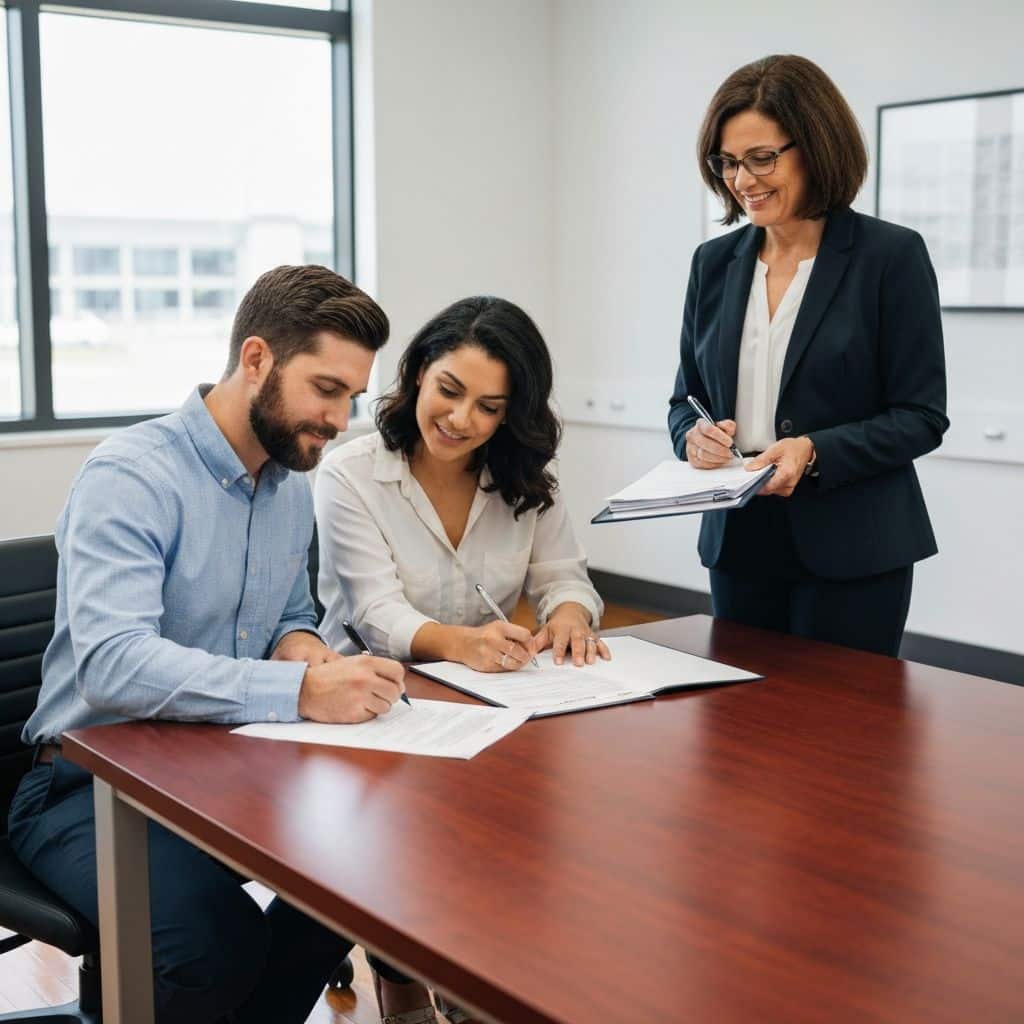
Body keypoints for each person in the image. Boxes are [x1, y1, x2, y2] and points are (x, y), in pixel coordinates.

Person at [9, 264, 406, 1024]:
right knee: (212, 946)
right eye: (326, 389)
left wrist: (303, 648)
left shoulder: (289, 489)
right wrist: (299, 691)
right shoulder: (132, 476)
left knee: (360, 881)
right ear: (256, 359)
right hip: (87, 791)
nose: (339, 419)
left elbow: (292, 614)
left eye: (351, 398)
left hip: (220, 772)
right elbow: (112, 664)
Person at [314, 295, 608, 1023]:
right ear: (418, 372)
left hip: (488, 702)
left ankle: (477, 967)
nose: (461, 419)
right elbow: (375, 613)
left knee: (518, 840)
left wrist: (568, 615)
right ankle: (399, 972)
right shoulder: (351, 473)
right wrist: (462, 643)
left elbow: (564, 576)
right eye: (449, 390)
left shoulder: (524, 477)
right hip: (373, 703)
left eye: (489, 407)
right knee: (409, 836)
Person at [668, 54, 948, 657]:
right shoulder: (712, 264)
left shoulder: (889, 258)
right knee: (740, 710)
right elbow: (684, 400)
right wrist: (693, 436)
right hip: (739, 542)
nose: (743, 180)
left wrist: (813, 450)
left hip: (855, 546)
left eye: (761, 157)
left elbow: (921, 416)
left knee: (844, 715)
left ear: (816, 147)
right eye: (727, 162)